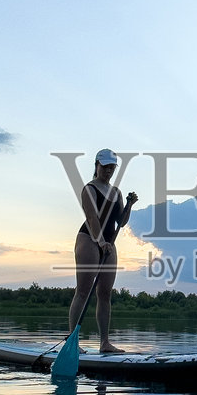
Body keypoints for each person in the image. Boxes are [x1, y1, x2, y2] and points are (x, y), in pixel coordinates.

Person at [69, 149, 137, 354]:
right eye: (105, 167)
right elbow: (92, 219)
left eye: (111, 168)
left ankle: (104, 343)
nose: (108, 171)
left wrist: (129, 205)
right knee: (83, 291)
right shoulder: (89, 189)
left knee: (105, 293)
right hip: (89, 238)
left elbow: (121, 222)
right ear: (97, 165)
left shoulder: (115, 192)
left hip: (109, 242)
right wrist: (100, 242)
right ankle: (73, 342)